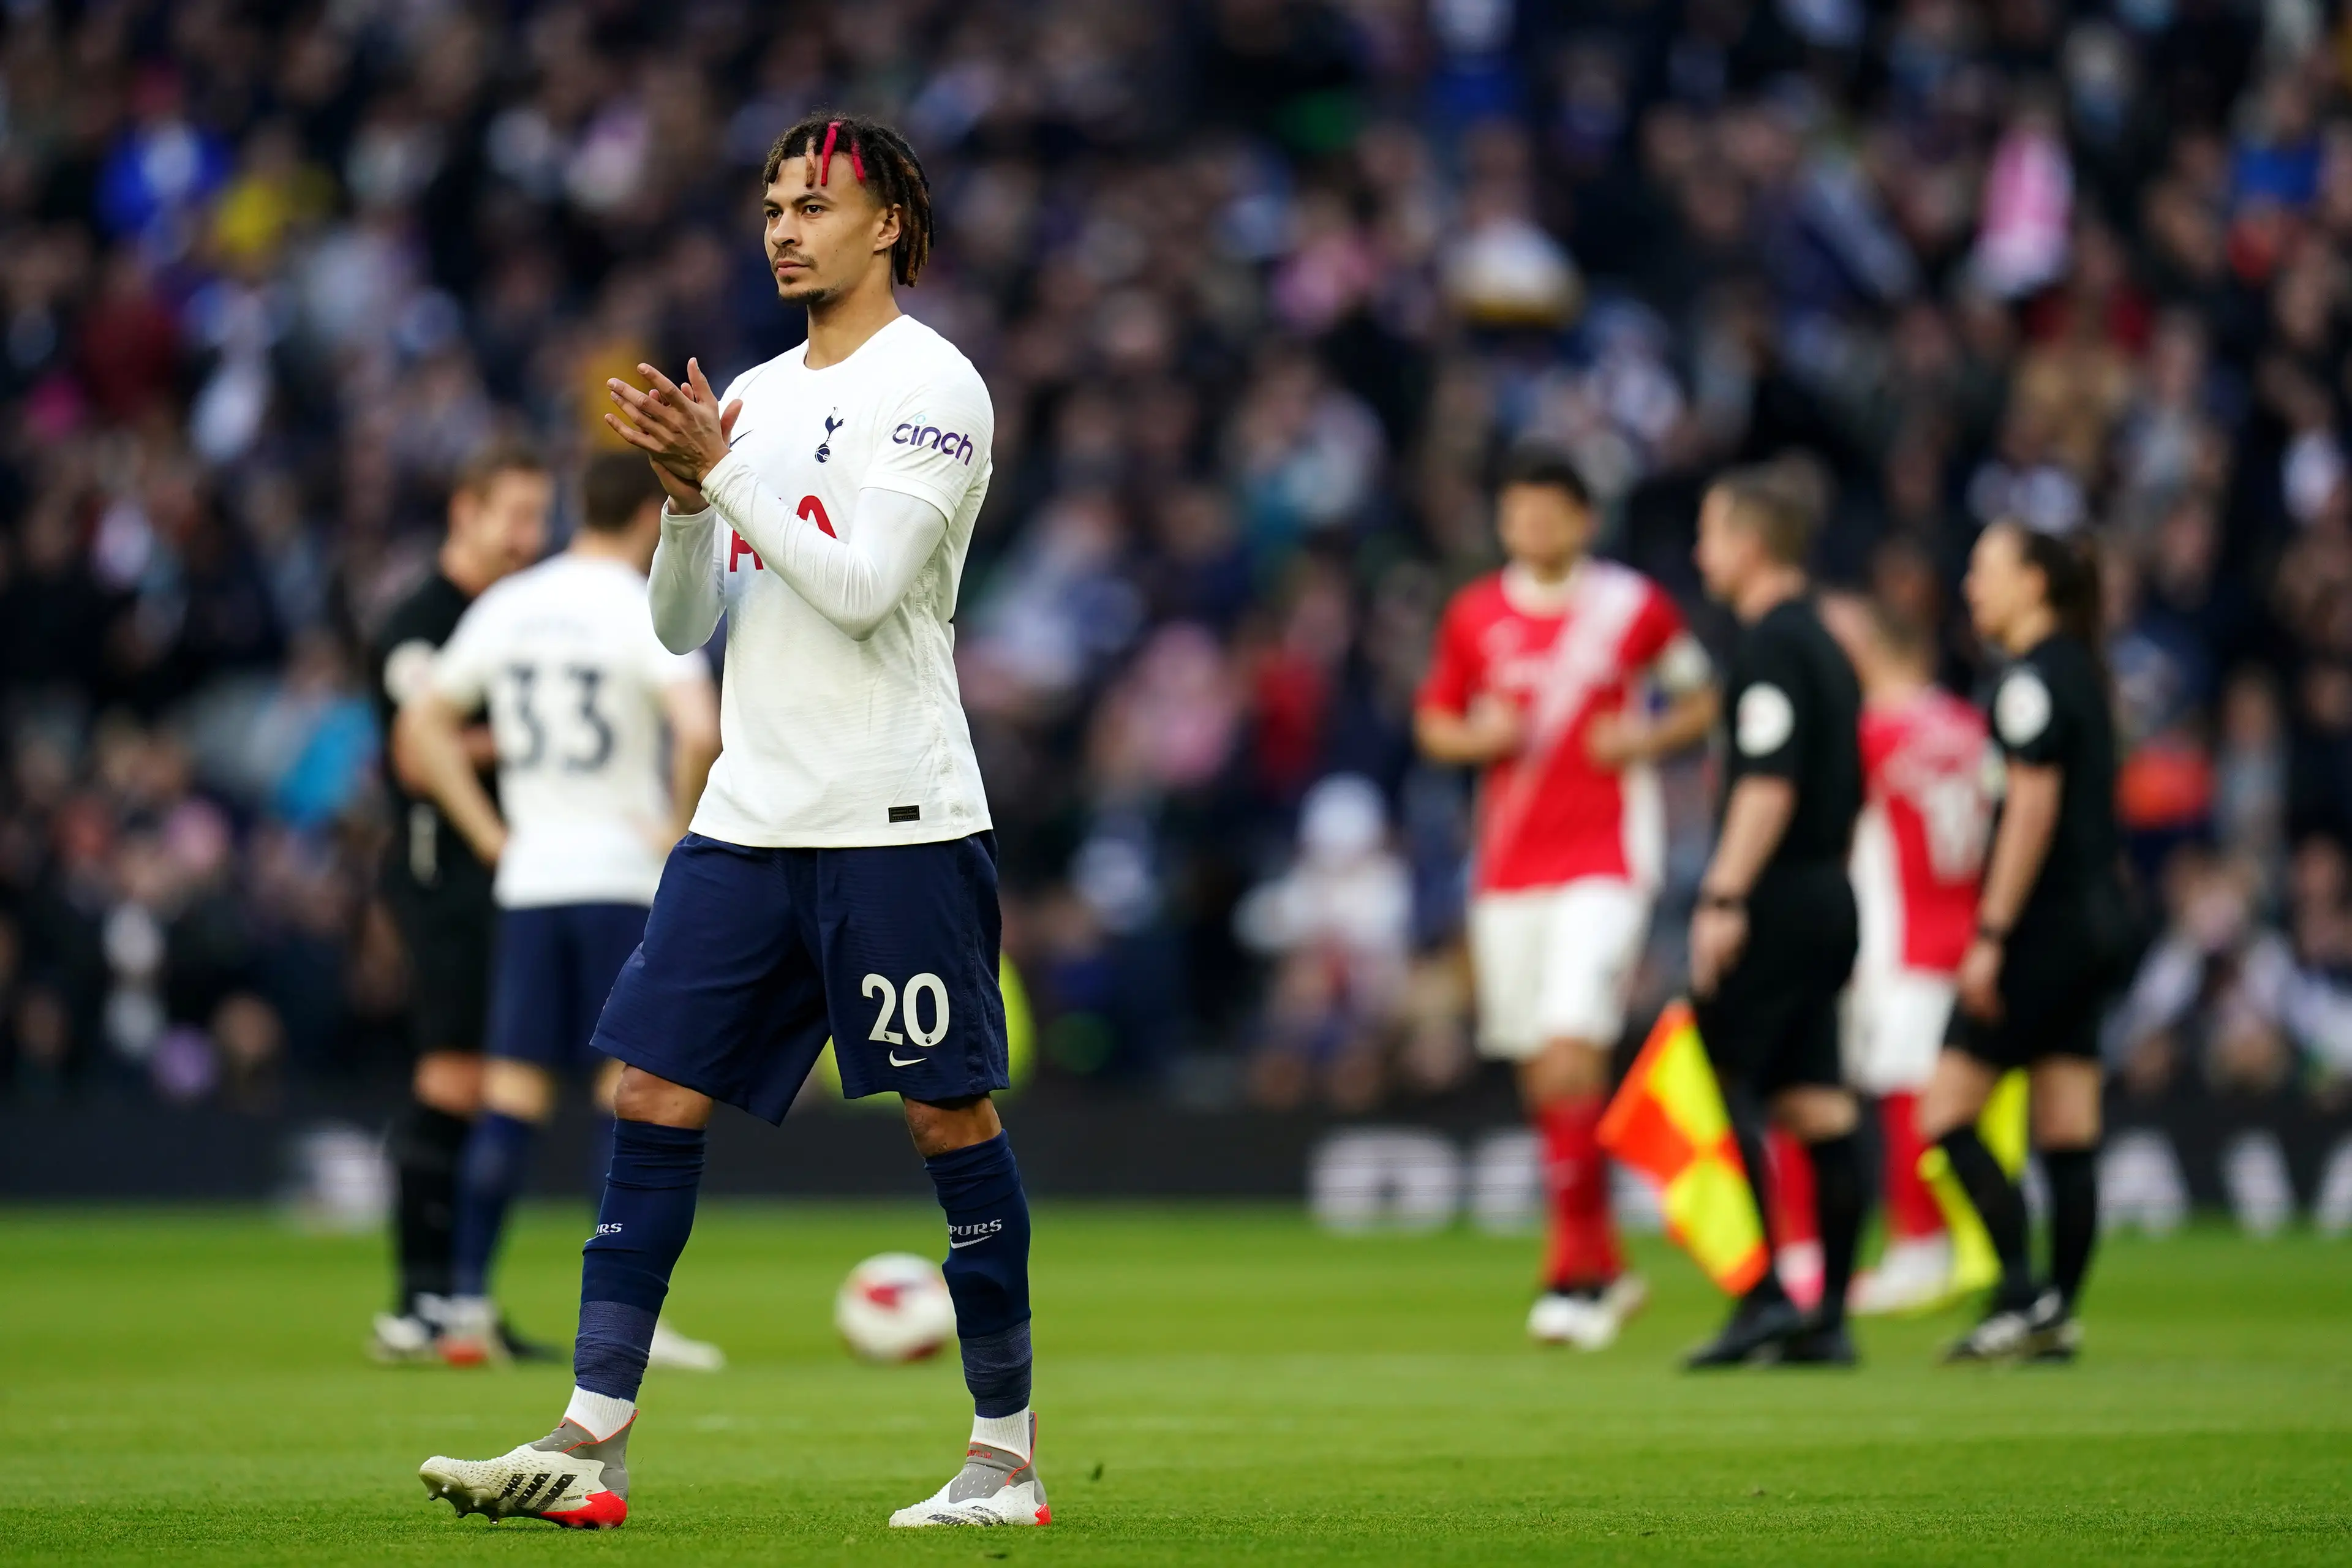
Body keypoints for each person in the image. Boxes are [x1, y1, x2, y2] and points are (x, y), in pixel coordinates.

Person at [420, 113, 1042, 1531]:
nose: (784, 229)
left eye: (813, 204)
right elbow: (681, 620)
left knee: (946, 1110)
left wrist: (727, 471)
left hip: (894, 814)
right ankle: (590, 1439)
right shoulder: (750, 395)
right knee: (649, 1089)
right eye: (771, 206)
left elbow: (866, 589)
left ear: (889, 223)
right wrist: (689, 503)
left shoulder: (935, 384)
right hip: (749, 814)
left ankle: (1005, 1453)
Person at [394, 453, 725, 1372]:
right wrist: (676, 827)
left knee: (511, 1098)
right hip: (620, 877)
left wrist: (489, 833)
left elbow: (423, 725)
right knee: (629, 1099)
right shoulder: (640, 606)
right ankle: (629, 1319)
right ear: (652, 518)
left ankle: (465, 1305)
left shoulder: (512, 604)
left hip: (532, 880)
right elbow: (700, 729)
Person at [1415, 446, 1717, 1349]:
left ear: (1584, 521)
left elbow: (1703, 697)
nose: (1534, 528)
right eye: (1519, 514)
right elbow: (1435, 724)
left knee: (1569, 1044)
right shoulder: (1476, 614)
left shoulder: (1632, 608)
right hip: (1509, 869)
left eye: (1550, 513)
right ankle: (1607, 1262)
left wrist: (1644, 740)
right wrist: (1481, 739)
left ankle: (1572, 1275)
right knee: (1540, 1069)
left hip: (1607, 859)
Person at [1681, 459, 1869, 1369]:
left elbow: (1768, 780)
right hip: (1830, 889)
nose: (1699, 554)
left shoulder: (1769, 647)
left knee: (1712, 1083)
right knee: (1815, 1101)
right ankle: (1826, 1317)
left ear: (1751, 544)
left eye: (1710, 534)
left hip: (1777, 892)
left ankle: (1759, 1296)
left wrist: (1724, 895)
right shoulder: (1828, 644)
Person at [366, 440, 549, 1364]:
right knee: (453, 1077)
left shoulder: (518, 614)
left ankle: (457, 1300)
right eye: (514, 516)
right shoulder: (419, 623)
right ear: (463, 514)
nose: (529, 536)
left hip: (511, 873)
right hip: (444, 874)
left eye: (539, 518)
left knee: (490, 1085)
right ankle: (417, 1302)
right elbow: (415, 749)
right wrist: (531, 731)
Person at [1927, 519, 2127, 1363]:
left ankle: (2018, 1294)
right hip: (2095, 924)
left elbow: (2032, 810)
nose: (1971, 587)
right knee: (2068, 1123)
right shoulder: (2081, 671)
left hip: (2039, 930)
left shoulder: (2028, 682)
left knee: (1946, 1112)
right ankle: (2058, 1312)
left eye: (1986, 570)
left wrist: (1993, 933)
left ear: (2033, 584)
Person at [1823, 594, 1989, 1316]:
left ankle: (1919, 1249)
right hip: (1969, 925)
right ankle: (1941, 1242)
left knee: (1905, 1092)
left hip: (1901, 933)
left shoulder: (1873, 733)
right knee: (1943, 1089)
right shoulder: (1970, 727)